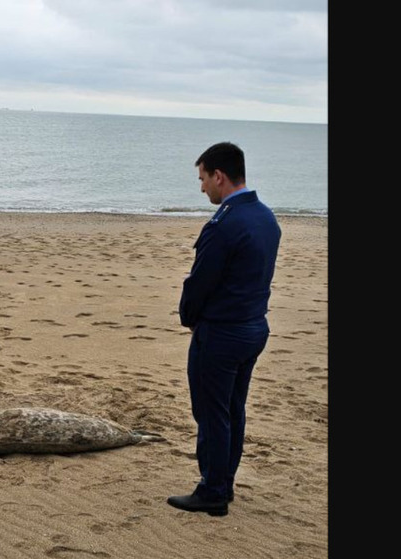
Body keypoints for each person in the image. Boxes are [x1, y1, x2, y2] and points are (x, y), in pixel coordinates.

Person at [167, 142, 281, 516]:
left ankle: (213, 491)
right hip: (253, 328)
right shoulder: (266, 217)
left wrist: (189, 318)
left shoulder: (226, 223)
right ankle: (224, 482)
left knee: (212, 412)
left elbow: (199, 283)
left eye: (202, 179)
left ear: (219, 176)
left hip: (222, 332)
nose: (202, 188)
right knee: (232, 409)